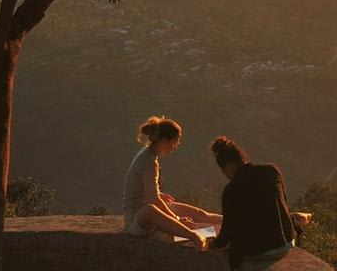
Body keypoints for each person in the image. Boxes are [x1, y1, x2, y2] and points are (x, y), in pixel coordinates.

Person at [208, 135, 313, 269]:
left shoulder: (231, 190)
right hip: (286, 243)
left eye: (223, 171)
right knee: (291, 217)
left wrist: (213, 244)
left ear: (228, 166)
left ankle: (299, 217)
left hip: (258, 252)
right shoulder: (272, 170)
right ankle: (301, 217)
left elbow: (227, 233)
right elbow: (282, 204)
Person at [122, 115, 223, 251]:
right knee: (150, 210)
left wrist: (160, 195)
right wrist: (177, 219)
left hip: (147, 204)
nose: (175, 147)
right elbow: (152, 200)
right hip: (136, 219)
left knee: (199, 214)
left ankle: (237, 222)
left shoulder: (148, 153)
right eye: (175, 142)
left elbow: (144, 188)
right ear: (164, 140)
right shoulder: (149, 162)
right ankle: (194, 236)